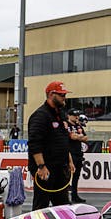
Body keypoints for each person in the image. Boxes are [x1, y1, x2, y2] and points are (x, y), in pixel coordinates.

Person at [28, 81, 75, 209]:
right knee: (41, 204)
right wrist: (41, 166)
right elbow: (34, 144)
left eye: (64, 95)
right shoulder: (40, 116)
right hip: (46, 167)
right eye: (61, 95)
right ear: (50, 95)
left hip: (60, 167)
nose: (64, 97)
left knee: (63, 205)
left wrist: (69, 160)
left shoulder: (61, 114)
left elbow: (63, 140)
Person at [67, 108, 88, 203]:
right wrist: (78, 137)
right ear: (69, 115)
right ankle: (65, 197)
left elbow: (85, 137)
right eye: (74, 115)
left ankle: (74, 195)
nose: (76, 117)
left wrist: (78, 137)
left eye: (77, 115)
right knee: (67, 176)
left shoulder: (78, 125)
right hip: (69, 153)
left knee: (76, 176)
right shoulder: (66, 125)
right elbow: (71, 136)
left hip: (78, 153)